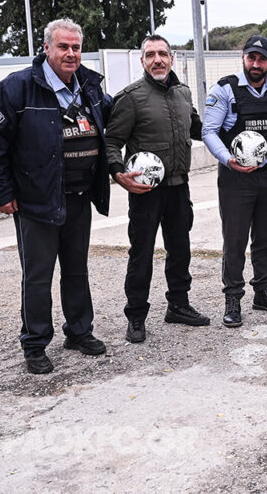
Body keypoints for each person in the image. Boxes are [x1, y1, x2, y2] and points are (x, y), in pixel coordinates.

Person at [0, 18, 111, 374]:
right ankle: (35, 344)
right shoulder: (15, 88)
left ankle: (79, 331)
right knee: (38, 277)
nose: (71, 54)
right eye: (63, 47)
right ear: (46, 48)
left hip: (79, 197)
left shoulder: (90, 87)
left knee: (76, 270)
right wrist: (1, 193)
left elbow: (113, 120)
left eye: (76, 48)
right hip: (36, 202)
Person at [106, 35, 208, 343]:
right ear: (142, 61)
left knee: (180, 249)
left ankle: (178, 305)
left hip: (179, 186)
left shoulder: (183, 93)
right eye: (150, 55)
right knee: (142, 253)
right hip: (146, 192)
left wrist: (228, 128)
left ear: (172, 58)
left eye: (162, 53)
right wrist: (118, 172)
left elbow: (198, 128)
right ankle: (136, 315)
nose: (157, 60)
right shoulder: (131, 97)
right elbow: (112, 141)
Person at [202, 35, 267, 328]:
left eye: (262, 59)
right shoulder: (225, 89)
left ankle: (263, 292)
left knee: (266, 239)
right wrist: (227, 159)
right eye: (251, 58)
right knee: (235, 240)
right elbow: (208, 131)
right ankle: (233, 298)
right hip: (235, 177)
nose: (256, 64)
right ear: (243, 58)